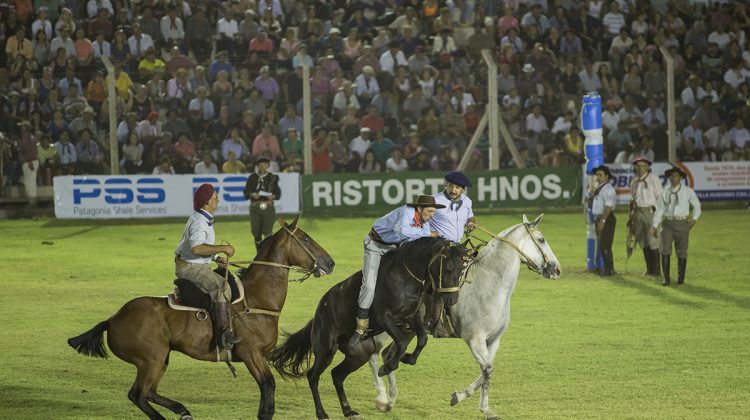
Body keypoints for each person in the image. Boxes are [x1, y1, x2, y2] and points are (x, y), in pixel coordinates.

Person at [349, 195, 445, 348]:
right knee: (369, 284)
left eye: (434, 212)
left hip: (394, 248)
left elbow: (419, 241)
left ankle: (405, 315)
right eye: (429, 211)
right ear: (419, 208)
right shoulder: (406, 211)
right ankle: (361, 327)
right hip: (375, 245)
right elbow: (403, 231)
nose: (431, 215)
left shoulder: (425, 223)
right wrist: (429, 234)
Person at [174, 184, 240, 350]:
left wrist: (216, 257)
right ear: (207, 201)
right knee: (223, 287)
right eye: (215, 197)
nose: (218, 199)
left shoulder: (202, 217)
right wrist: (223, 248)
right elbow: (197, 248)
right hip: (191, 268)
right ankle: (224, 335)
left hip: (193, 263)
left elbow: (196, 248)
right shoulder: (200, 222)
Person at [427, 171, 475, 337]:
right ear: (446, 185)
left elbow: (471, 217)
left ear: (463, 190)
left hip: (456, 247)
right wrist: (432, 233)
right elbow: (422, 219)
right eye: (451, 186)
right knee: (444, 278)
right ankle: (435, 322)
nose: (453, 190)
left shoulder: (467, 202)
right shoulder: (435, 200)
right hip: (437, 246)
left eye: (457, 187)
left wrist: (470, 223)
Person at [652, 167, 701, 286]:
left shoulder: (688, 191)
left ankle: (680, 278)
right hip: (668, 223)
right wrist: (654, 225)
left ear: (681, 178)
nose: (674, 178)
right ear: (669, 178)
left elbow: (697, 206)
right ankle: (666, 278)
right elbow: (659, 209)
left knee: (682, 251)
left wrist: (694, 219)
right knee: (664, 250)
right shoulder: (665, 191)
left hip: (682, 223)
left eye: (676, 176)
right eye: (672, 176)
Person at [629, 156, 663, 277]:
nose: (640, 168)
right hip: (638, 213)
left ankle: (657, 270)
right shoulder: (634, 182)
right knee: (643, 241)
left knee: (653, 240)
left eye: (643, 165)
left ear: (648, 167)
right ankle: (649, 268)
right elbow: (632, 200)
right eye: (638, 166)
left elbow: (660, 197)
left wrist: (659, 215)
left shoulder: (654, 179)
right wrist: (631, 217)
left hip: (650, 211)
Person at [243, 157, 281, 252]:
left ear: (268, 165)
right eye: (260, 164)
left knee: (268, 231)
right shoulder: (252, 178)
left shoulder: (273, 178)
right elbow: (246, 192)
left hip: (268, 206)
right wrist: (252, 194)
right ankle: (259, 252)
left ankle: (266, 252)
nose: (262, 166)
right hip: (255, 206)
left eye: (264, 164)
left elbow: (278, 193)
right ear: (257, 166)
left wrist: (273, 196)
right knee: (256, 231)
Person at [588, 165, 617, 276]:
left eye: (600, 174)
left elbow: (608, 206)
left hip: (606, 218)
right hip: (600, 218)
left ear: (607, 176)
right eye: (597, 174)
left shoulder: (608, 189)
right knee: (603, 244)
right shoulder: (599, 188)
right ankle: (609, 268)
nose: (597, 177)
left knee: (605, 244)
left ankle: (608, 269)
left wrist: (603, 221)